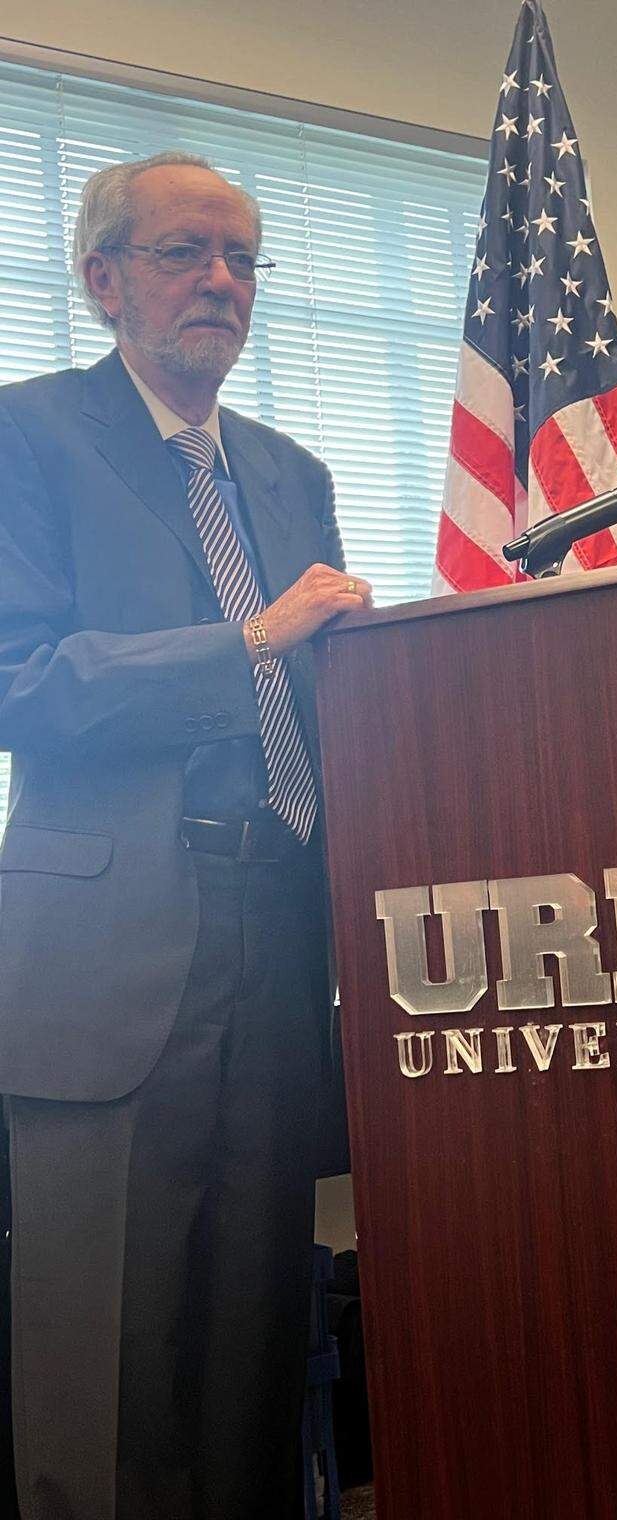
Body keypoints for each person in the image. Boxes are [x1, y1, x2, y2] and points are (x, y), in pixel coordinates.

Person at [0, 151, 373, 1519]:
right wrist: (251, 638)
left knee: (256, 1341)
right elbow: (18, 684)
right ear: (103, 282)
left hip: (280, 937)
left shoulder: (292, 473)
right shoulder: (24, 438)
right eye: (182, 253)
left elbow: (331, 698)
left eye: (241, 259)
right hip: (110, 951)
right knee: (108, 1352)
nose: (220, 282)